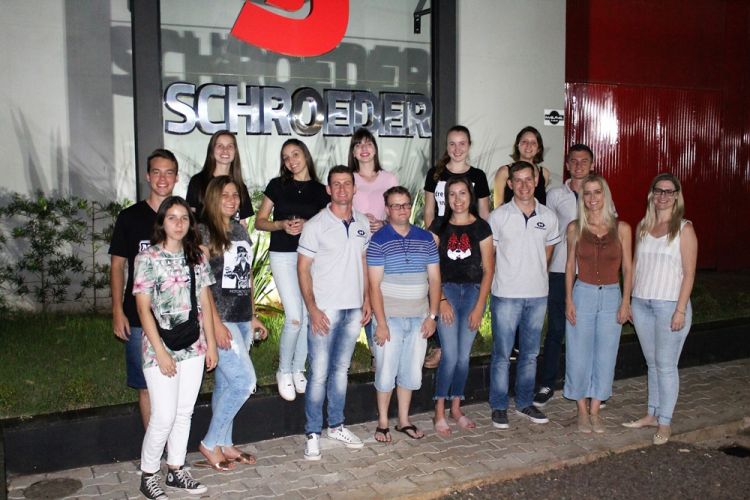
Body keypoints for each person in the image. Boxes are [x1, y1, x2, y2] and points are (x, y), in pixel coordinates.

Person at [133, 196, 218, 499]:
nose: (179, 223)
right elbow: (143, 309)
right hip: (160, 346)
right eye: (172, 217)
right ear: (162, 222)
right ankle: (148, 474)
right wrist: (160, 352)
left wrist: (211, 345)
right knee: (164, 415)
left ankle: (176, 470)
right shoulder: (147, 258)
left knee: (184, 412)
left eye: (184, 218)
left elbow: (205, 302)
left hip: (194, 344)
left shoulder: (197, 257)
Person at [297, 165, 371, 460]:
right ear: (328, 189)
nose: (342, 189)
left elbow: (364, 261)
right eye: (336, 184)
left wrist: (366, 299)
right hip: (325, 309)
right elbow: (303, 269)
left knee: (341, 370)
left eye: (346, 183)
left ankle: (336, 425)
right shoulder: (316, 225)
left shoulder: (362, 222)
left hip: (353, 308)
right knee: (318, 374)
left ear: (354, 188)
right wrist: (312, 309)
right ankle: (312, 433)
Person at [197, 176, 268, 470]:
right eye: (225, 194)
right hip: (220, 318)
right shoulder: (202, 232)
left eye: (235, 195)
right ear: (213, 197)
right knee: (244, 382)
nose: (232, 199)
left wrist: (252, 313)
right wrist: (215, 325)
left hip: (241, 317)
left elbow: (246, 274)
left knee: (226, 383)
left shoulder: (239, 229)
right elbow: (202, 283)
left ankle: (225, 444)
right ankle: (209, 443)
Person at [623, 173, 697, 445]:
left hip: (670, 306)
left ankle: (665, 422)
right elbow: (635, 267)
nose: (663, 196)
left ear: (677, 196)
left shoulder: (684, 229)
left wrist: (680, 310)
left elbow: (689, 273)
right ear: (652, 194)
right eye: (658, 190)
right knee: (652, 363)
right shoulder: (644, 226)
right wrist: (628, 300)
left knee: (666, 366)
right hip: (642, 304)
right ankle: (652, 414)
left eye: (669, 191)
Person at [109, 149, 179, 430]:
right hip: (138, 317)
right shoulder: (130, 217)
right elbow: (117, 266)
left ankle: (174, 445)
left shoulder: (183, 216)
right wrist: (117, 310)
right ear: (148, 176)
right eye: (157, 172)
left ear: (176, 177)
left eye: (169, 172)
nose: (162, 178)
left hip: (178, 317)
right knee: (146, 386)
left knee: (177, 384)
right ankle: (154, 447)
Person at [487, 161, 560, 429]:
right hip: (506, 295)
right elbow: (491, 255)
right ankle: (498, 406)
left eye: (528, 179)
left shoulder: (549, 217)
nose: (524, 185)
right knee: (502, 354)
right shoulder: (498, 217)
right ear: (509, 184)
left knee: (530, 354)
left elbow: (547, 254)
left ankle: (524, 402)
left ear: (537, 181)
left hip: (537, 295)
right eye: (517, 180)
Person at [255, 139, 329, 401]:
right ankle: (283, 370)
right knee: (295, 317)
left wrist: (308, 224)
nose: (291, 161)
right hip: (283, 255)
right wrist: (281, 225)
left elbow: (328, 225)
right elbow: (260, 222)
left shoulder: (321, 190)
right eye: (286, 157)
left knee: (308, 316)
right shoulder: (277, 185)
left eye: (295, 154)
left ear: (305, 155)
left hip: (310, 258)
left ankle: (298, 369)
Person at [367, 186, 441, 442]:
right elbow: (373, 285)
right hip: (389, 319)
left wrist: (432, 316)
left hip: (419, 318)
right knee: (386, 372)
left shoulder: (425, 238)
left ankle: (404, 421)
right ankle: (383, 423)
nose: (402, 209)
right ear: (387, 210)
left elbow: (435, 279)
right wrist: (381, 323)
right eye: (396, 205)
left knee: (411, 372)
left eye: (406, 204)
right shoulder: (378, 240)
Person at [563, 175, 632, 433]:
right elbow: (569, 266)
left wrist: (626, 302)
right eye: (587, 193)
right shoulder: (574, 228)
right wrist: (569, 299)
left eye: (597, 192)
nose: (592, 198)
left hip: (612, 296)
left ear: (605, 195)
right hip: (583, 293)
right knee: (578, 354)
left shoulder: (622, 229)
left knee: (606, 354)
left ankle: (595, 411)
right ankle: (581, 410)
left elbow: (628, 268)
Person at [429, 177, 494, 436]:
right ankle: (439, 411)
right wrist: (440, 300)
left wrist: (479, 307)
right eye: (452, 194)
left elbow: (488, 270)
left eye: (462, 193)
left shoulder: (482, 227)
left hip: (472, 295)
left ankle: (456, 407)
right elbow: (429, 267)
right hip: (446, 292)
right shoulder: (438, 226)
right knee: (450, 355)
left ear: (470, 196)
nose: (458, 199)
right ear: (446, 199)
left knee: (463, 356)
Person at [423, 125, 491, 368]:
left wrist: (482, 247)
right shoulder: (435, 174)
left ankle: (456, 348)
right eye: (452, 143)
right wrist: (434, 240)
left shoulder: (478, 176)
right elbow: (429, 210)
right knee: (439, 293)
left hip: (470, 247)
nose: (457, 148)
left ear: (469, 146)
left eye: (462, 143)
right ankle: (441, 346)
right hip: (442, 241)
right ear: (447, 146)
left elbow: (484, 213)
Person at [533, 144, 595, 407]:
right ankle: (547, 383)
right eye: (574, 161)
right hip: (559, 270)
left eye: (584, 161)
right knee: (556, 329)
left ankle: (587, 386)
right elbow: (545, 232)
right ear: (567, 165)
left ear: (592, 165)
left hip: (590, 273)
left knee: (585, 331)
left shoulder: (599, 193)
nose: (579, 165)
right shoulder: (555, 194)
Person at [349, 128, 399, 351]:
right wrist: (359, 220)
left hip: (384, 245)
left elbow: (399, 212)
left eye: (368, 143)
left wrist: (384, 223)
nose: (364, 149)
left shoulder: (389, 178)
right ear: (353, 152)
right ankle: (368, 348)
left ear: (375, 149)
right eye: (358, 144)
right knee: (363, 294)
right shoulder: (349, 179)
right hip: (356, 247)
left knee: (381, 293)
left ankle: (382, 345)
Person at [186, 130, 254, 225]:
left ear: (235, 151)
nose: (225, 150)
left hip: (232, 235)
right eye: (220, 146)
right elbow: (190, 218)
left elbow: (242, 223)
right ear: (212, 150)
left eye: (230, 146)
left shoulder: (240, 186)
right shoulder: (198, 181)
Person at [492, 126, 550, 207]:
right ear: (517, 145)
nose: (528, 145)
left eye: (533, 143)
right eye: (524, 142)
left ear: (538, 149)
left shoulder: (544, 173)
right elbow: (497, 207)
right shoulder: (504, 172)